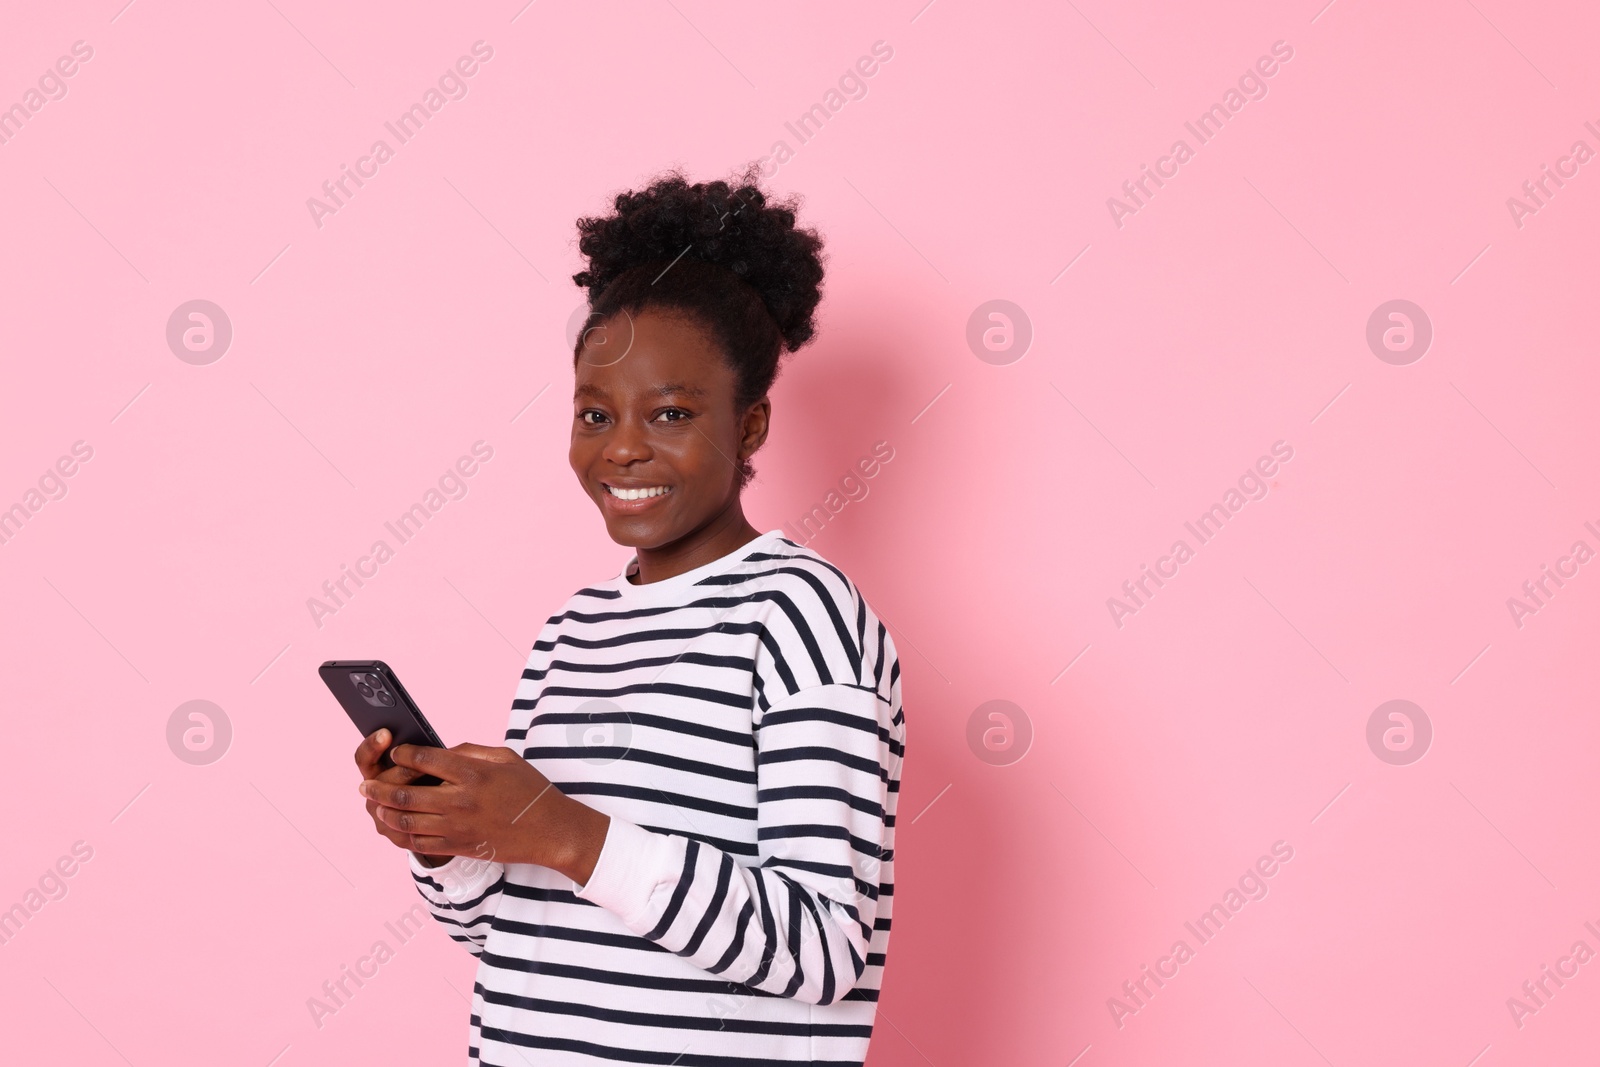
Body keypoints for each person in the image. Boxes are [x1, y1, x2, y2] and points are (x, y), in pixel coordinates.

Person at [353, 165, 906, 1065]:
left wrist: (563, 830)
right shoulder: (573, 631)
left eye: (673, 412)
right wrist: (445, 840)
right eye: (595, 412)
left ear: (752, 425)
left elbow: (821, 949)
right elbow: (518, 935)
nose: (622, 448)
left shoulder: (804, 618)